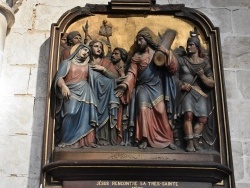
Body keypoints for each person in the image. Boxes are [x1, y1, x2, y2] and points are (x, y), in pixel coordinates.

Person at [115, 27, 177, 149]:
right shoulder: (137, 57)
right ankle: (144, 138)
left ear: (147, 39)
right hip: (142, 88)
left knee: (161, 111)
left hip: (157, 87)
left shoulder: (159, 53)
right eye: (137, 40)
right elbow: (132, 73)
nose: (138, 43)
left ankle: (168, 139)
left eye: (141, 40)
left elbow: (173, 69)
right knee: (143, 110)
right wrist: (124, 85)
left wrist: (167, 52)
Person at [175, 31, 215, 152]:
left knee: (203, 119)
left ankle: (196, 139)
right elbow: (174, 77)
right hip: (187, 92)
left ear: (197, 47)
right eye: (188, 45)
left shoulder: (204, 64)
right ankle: (189, 142)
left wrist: (202, 76)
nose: (188, 47)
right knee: (188, 115)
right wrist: (181, 85)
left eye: (191, 44)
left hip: (199, 93)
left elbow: (212, 83)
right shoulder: (182, 61)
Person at [54, 43, 98, 148]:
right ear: (77, 50)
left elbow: (99, 80)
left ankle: (85, 141)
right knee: (70, 113)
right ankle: (65, 139)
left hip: (86, 93)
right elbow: (59, 77)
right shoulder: (67, 63)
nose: (86, 53)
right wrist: (63, 86)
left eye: (88, 52)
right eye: (84, 50)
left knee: (86, 117)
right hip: (71, 91)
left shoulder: (88, 66)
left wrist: (110, 76)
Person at [88, 40, 120, 146]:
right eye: (96, 46)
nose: (98, 49)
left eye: (100, 47)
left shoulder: (106, 62)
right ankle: (90, 140)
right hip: (90, 93)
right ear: (90, 47)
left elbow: (115, 77)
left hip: (105, 96)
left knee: (106, 115)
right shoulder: (86, 61)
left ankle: (103, 138)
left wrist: (103, 69)